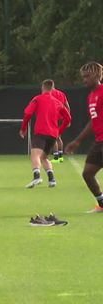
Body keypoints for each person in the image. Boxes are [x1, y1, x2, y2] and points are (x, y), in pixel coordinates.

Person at [65, 62, 103, 212]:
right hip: (99, 141)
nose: (84, 80)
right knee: (87, 173)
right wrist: (77, 141)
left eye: (87, 76)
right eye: (83, 77)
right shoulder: (91, 96)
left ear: (96, 75)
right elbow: (94, 122)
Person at [20, 80, 72, 188]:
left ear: (42, 88)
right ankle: (52, 179)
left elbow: (27, 113)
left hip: (41, 132)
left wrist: (23, 128)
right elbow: (68, 118)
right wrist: (59, 131)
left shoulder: (37, 99)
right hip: (52, 135)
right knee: (44, 157)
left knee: (35, 155)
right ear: (52, 89)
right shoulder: (58, 102)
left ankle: (37, 177)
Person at [47, 80, 70, 163]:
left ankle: (56, 157)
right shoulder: (61, 93)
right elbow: (67, 106)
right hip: (62, 118)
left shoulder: (49, 94)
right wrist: (68, 118)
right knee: (58, 137)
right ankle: (60, 157)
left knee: (53, 137)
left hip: (54, 118)